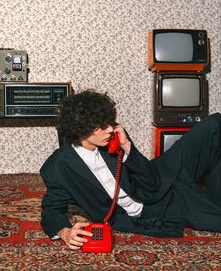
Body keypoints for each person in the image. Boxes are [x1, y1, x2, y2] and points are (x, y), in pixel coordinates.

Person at [40, 89, 221, 250]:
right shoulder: (58, 167)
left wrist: (127, 147)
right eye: (102, 126)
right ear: (81, 129)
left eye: (110, 122)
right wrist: (64, 232)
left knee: (214, 124)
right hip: (161, 203)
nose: (111, 129)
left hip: (159, 174)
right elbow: (51, 210)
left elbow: (151, 181)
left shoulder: (115, 138)